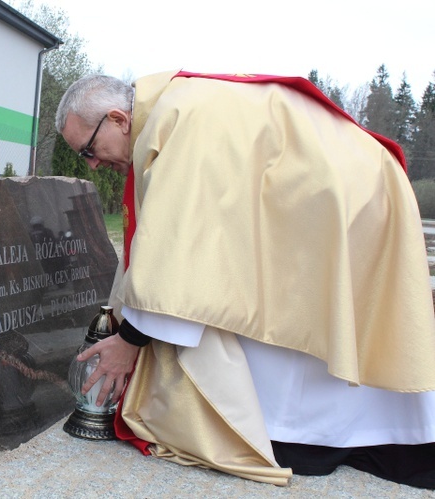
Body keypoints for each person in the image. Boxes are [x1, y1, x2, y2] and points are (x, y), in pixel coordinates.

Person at [55, 71, 435, 488]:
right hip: (344, 188)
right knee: (303, 311)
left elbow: (180, 254)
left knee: (294, 315)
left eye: (89, 149)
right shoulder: (178, 107)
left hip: (344, 195)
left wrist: (129, 343)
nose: (92, 163)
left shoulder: (177, 119)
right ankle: (359, 435)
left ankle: (315, 439)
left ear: (118, 119)